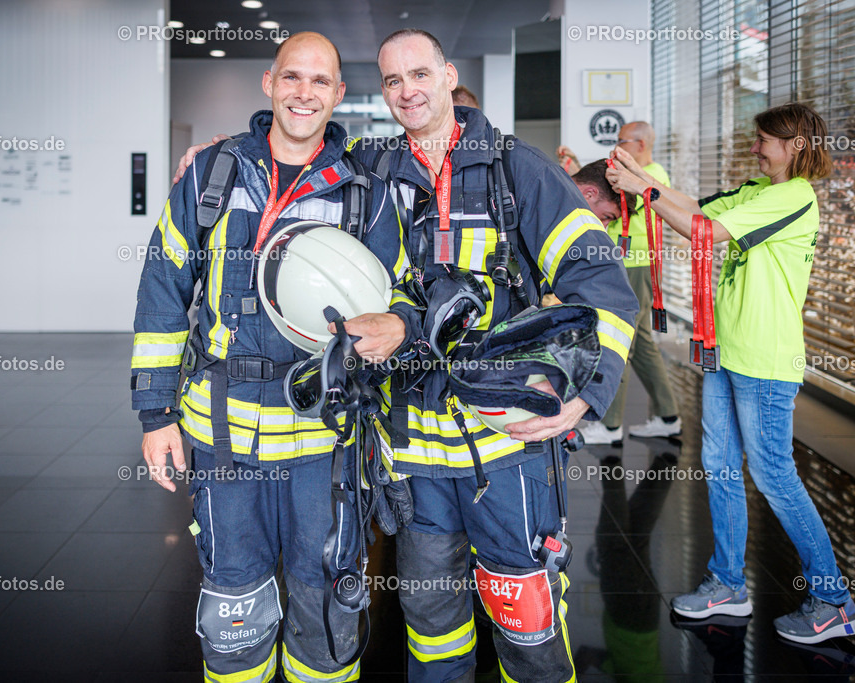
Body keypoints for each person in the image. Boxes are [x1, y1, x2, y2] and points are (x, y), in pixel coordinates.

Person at [177, 29, 638, 682]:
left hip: (506, 449)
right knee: (431, 624)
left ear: (448, 75)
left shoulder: (518, 171)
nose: (407, 91)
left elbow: (605, 286)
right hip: (413, 460)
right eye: (392, 81)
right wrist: (226, 157)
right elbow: (294, 157)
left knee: (527, 622)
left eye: (419, 74)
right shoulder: (371, 168)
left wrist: (587, 394)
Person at [133, 32, 418, 683]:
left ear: (339, 95)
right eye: (293, 77)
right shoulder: (213, 173)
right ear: (270, 83)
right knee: (234, 604)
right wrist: (155, 415)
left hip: (325, 440)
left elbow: (401, 292)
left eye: (320, 82)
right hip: (223, 435)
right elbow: (162, 288)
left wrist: (396, 323)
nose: (304, 93)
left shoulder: (363, 193)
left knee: (325, 600)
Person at [606, 102, 855, 644]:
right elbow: (696, 206)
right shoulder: (758, 189)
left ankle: (835, 600)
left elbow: (706, 232)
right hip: (728, 354)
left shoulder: (792, 197)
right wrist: (637, 182)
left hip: (765, 362)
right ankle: (727, 583)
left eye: (765, 139)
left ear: (795, 145)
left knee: (773, 475)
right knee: (720, 464)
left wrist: (645, 193)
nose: (755, 147)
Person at [578, 122, 681, 445]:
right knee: (644, 346)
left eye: (621, 140)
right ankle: (668, 416)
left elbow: (621, 210)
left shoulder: (651, 177)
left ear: (639, 144)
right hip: (631, 264)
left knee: (619, 341)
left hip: (636, 266)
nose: (617, 146)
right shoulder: (635, 175)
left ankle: (610, 425)